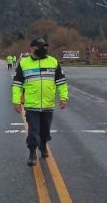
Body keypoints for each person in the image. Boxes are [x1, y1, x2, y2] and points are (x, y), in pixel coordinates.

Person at [12, 38, 68, 166]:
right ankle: (32, 153)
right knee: (33, 130)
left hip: (48, 104)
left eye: (45, 47)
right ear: (31, 49)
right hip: (31, 104)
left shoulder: (53, 62)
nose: (43, 49)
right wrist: (16, 102)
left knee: (45, 130)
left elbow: (61, 82)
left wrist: (63, 98)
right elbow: (17, 84)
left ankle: (43, 146)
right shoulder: (24, 64)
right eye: (40, 47)